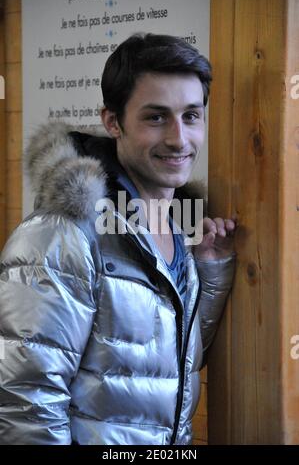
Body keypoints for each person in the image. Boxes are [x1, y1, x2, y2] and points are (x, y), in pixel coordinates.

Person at [0, 33, 236, 445]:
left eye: (191, 116)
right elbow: (24, 400)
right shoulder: (62, 233)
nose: (179, 139)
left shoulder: (179, 226)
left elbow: (158, 361)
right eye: (156, 117)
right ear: (113, 122)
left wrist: (208, 272)